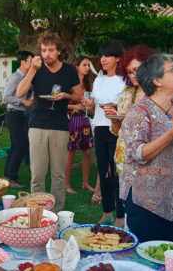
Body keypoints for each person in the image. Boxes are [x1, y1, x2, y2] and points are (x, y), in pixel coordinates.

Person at [121, 54, 173, 243]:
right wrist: (170, 135)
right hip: (147, 203)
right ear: (157, 80)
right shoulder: (140, 111)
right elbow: (136, 154)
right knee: (145, 258)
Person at [16, 31, 82, 212]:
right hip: (37, 125)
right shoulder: (36, 69)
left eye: (51, 50)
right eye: (44, 50)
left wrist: (66, 96)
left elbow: (79, 95)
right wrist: (32, 70)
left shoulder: (68, 70)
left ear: (58, 51)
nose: (47, 54)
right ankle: (38, 212)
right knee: (37, 174)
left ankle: (56, 213)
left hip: (60, 126)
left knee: (58, 175)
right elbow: (19, 93)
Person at [102, 45, 155, 197]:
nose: (132, 75)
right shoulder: (126, 94)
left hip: (150, 154)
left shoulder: (159, 93)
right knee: (128, 197)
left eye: (136, 70)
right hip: (125, 154)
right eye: (129, 72)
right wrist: (114, 118)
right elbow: (117, 130)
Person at [88, 40, 126, 227]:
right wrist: (89, 106)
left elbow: (126, 107)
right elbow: (94, 108)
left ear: (118, 59)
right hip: (100, 127)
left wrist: (115, 109)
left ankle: (121, 215)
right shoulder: (99, 79)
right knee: (103, 171)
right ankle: (106, 211)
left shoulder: (124, 81)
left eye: (107, 56)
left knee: (116, 172)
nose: (103, 59)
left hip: (116, 129)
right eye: (102, 56)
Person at [2, 50, 34, 188]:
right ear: (23, 62)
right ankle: (12, 178)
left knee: (15, 146)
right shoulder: (15, 77)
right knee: (21, 146)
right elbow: (5, 97)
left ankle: (7, 175)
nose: (32, 63)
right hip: (14, 114)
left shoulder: (27, 77)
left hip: (20, 115)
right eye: (30, 61)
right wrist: (23, 101)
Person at [65, 56, 94, 194]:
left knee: (87, 152)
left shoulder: (88, 85)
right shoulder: (69, 84)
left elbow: (91, 107)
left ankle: (85, 183)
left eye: (88, 65)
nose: (87, 67)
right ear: (76, 66)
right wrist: (74, 107)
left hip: (85, 119)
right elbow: (60, 103)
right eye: (84, 64)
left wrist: (90, 107)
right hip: (72, 120)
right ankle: (66, 185)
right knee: (70, 152)